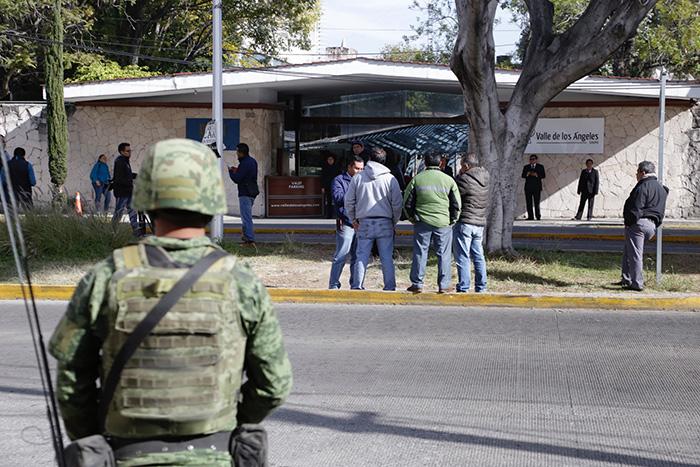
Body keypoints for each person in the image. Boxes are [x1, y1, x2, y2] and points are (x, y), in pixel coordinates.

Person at [49, 138, 292, 466]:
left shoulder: (107, 277)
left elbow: (71, 381)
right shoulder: (241, 281)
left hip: (126, 455)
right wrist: (231, 422)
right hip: (215, 455)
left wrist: (95, 437)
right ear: (212, 199)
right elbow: (274, 383)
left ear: (147, 196)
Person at [345, 146, 403, 291]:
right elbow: (397, 204)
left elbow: (349, 201)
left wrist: (353, 219)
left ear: (369, 159)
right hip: (385, 221)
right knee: (386, 258)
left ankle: (357, 286)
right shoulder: (390, 179)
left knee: (361, 256)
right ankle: (389, 287)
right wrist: (393, 221)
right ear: (384, 161)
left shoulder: (358, 177)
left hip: (364, 221)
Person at [403, 152, 461, 293]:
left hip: (422, 222)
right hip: (443, 223)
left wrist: (412, 218)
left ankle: (417, 283)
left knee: (420, 252)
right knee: (444, 254)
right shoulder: (448, 180)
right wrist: (452, 220)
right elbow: (456, 204)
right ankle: (444, 285)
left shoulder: (417, 179)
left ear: (425, 163)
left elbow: (407, 203)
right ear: (441, 163)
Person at [618, 161, 668, 292]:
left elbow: (636, 207)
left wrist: (629, 222)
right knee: (629, 251)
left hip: (639, 224)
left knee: (635, 254)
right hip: (652, 225)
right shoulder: (661, 188)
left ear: (643, 172)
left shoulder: (643, 186)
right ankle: (626, 278)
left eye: (637, 172)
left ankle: (637, 283)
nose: (636, 175)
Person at [453, 152, 490, 293]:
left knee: (463, 256)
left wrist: (459, 175)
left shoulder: (464, 180)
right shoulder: (485, 177)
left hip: (465, 222)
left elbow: (455, 193)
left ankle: (464, 286)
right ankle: (481, 286)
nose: (461, 168)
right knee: (478, 256)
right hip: (479, 222)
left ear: (467, 166)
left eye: (462, 166)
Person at [328, 155, 364, 289]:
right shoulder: (339, 180)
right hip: (346, 223)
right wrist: (353, 193)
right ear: (349, 167)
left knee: (357, 257)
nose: (359, 171)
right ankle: (333, 284)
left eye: (362, 169)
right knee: (341, 255)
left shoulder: (364, 181)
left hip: (360, 223)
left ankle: (356, 285)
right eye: (357, 168)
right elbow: (337, 197)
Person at [229, 142, 259, 246]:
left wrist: (231, 172)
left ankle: (250, 240)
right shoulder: (252, 161)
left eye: (237, 151)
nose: (236, 154)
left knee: (246, 217)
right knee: (246, 216)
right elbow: (247, 175)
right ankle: (246, 238)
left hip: (245, 193)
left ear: (241, 153)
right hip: (251, 192)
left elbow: (237, 178)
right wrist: (237, 170)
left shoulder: (245, 163)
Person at [111, 142, 140, 235]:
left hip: (128, 191)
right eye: (127, 151)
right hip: (122, 192)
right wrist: (130, 183)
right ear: (122, 152)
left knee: (132, 211)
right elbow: (119, 178)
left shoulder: (125, 161)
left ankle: (136, 231)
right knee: (119, 212)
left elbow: (127, 175)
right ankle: (113, 231)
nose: (130, 152)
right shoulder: (120, 162)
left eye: (130, 151)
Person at [522, 154, 545, 220]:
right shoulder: (526, 167)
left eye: (533, 159)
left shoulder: (540, 167)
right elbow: (523, 175)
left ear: (536, 160)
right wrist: (527, 174)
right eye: (531, 159)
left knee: (536, 202)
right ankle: (530, 216)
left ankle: (538, 216)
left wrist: (536, 175)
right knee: (528, 202)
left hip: (537, 187)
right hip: (528, 187)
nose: (532, 160)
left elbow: (543, 175)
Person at [320, 151, 341, 219]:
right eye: (329, 160)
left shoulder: (337, 167)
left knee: (337, 200)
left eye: (331, 160)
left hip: (336, 186)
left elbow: (339, 177)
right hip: (328, 186)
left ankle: (338, 214)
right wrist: (323, 187)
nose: (330, 161)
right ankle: (329, 215)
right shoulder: (325, 167)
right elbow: (323, 177)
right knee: (329, 201)